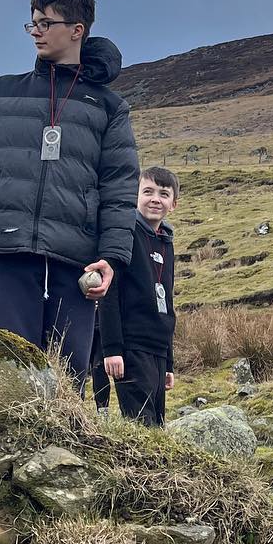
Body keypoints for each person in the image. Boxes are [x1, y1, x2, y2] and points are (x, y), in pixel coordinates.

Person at [0, 0, 138, 384]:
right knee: (10, 366)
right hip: (8, 243)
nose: (36, 31)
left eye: (46, 23)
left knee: (69, 372)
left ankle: (63, 446)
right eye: (32, 23)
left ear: (77, 30)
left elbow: (120, 187)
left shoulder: (109, 107)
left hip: (76, 254)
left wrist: (111, 257)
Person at [92, 166, 179, 425]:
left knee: (157, 423)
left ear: (173, 203)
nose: (155, 199)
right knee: (142, 424)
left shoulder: (166, 243)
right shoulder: (124, 235)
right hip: (131, 346)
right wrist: (112, 349)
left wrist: (169, 362)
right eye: (148, 192)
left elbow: (167, 302)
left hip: (157, 349)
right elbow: (109, 294)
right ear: (136, 196)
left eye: (163, 194)